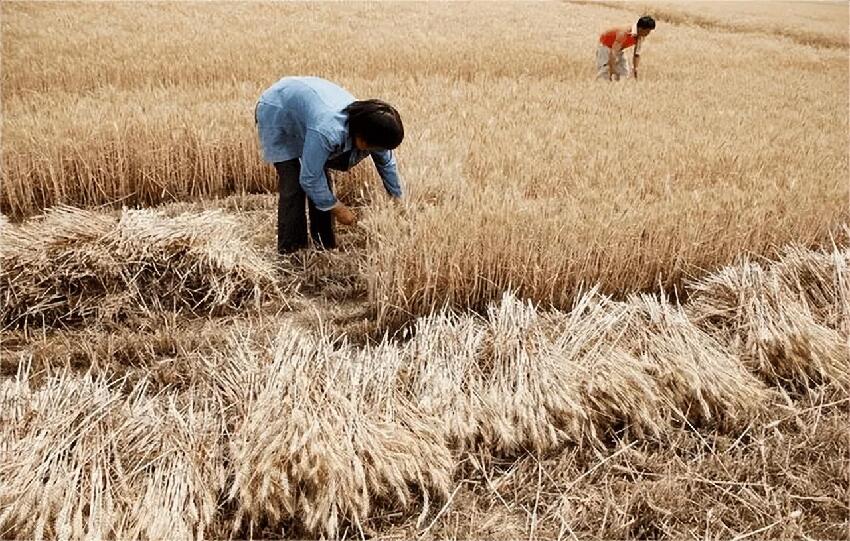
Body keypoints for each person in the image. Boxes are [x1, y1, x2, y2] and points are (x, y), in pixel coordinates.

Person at [255, 76, 404, 254]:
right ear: (363, 136)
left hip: (307, 111)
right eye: (373, 147)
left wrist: (398, 199)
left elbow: (386, 164)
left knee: (321, 182)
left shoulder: (373, 128)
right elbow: (309, 178)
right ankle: (292, 251)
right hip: (278, 112)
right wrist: (337, 208)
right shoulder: (328, 130)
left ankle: (324, 246)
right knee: (293, 184)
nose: (375, 150)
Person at [596, 16, 656, 81]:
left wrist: (635, 68)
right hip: (605, 47)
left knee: (624, 72)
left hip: (619, 49)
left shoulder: (641, 36)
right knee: (605, 72)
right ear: (641, 29)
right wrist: (611, 70)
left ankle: (617, 88)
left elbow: (637, 54)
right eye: (647, 31)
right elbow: (613, 53)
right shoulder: (624, 33)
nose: (648, 33)